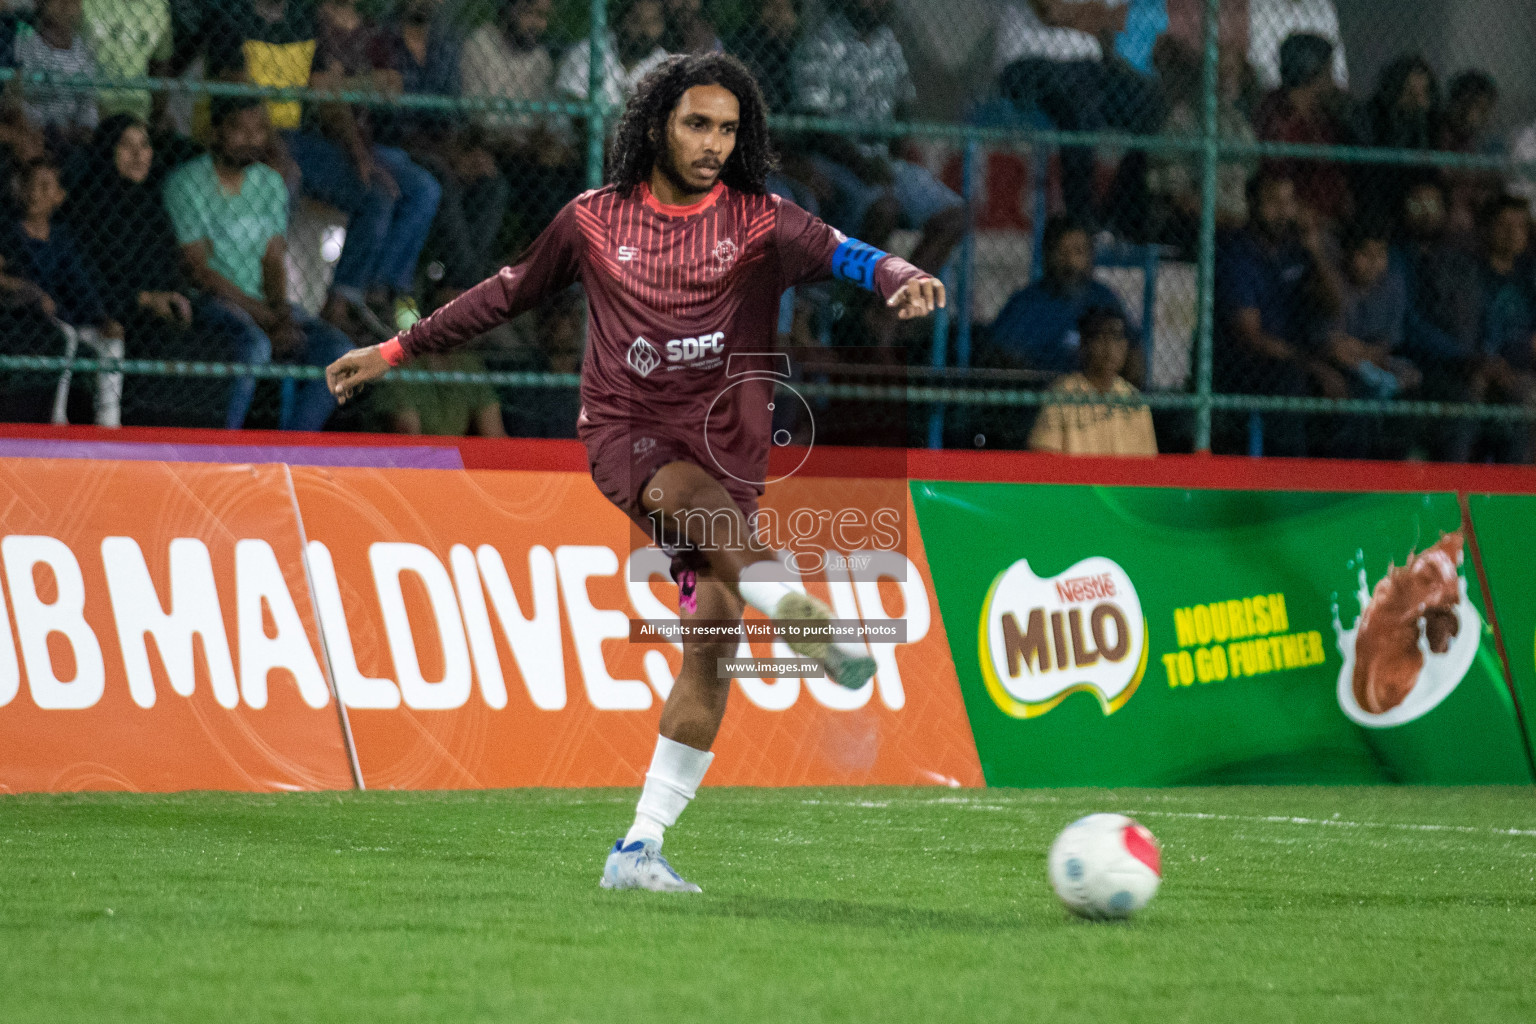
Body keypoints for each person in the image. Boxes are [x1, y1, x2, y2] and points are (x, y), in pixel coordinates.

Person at [325, 53, 946, 891]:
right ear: (657, 124)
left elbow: (853, 255)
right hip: (630, 436)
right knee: (707, 519)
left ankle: (639, 848)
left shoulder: (761, 221)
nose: (713, 143)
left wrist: (904, 279)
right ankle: (803, 615)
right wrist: (395, 348)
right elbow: (505, 292)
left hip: (730, 445)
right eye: (697, 124)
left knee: (714, 640)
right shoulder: (592, 220)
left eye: (728, 129)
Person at [208, 0, 442, 339]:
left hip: (300, 140)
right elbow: (240, 96)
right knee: (283, 179)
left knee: (376, 192)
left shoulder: (302, 18)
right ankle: (260, 302)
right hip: (245, 136)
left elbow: (327, 97)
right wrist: (274, 147)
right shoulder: (230, 16)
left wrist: (358, 153)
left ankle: (341, 304)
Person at [164, 96, 355, 431]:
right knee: (255, 345)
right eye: (239, 130)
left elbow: (272, 259)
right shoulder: (186, 182)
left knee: (340, 352)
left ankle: (291, 449)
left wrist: (280, 312)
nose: (251, 139)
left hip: (264, 303)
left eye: (259, 131)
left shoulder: (269, 183)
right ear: (215, 132)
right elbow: (199, 269)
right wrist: (264, 316)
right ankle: (225, 451)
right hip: (211, 301)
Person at [793, 0, 966, 275]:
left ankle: (887, 314)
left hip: (882, 163)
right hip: (840, 164)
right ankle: (855, 302)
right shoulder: (822, 43)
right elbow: (816, 127)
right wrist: (863, 166)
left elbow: (902, 108)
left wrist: (889, 162)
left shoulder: (889, 44)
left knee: (954, 216)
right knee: (884, 208)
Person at [66, 115, 210, 424]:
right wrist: (142, 299)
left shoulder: (150, 203)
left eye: (144, 145)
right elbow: (84, 279)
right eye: (126, 146)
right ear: (108, 150)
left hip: (151, 310)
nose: (137, 155)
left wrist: (173, 297)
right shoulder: (87, 205)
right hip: (105, 310)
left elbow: (166, 265)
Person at [372, 0, 509, 302]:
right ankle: (470, 291)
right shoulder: (381, 41)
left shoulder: (443, 49)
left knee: (491, 183)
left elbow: (450, 120)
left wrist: (464, 154)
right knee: (438, 180)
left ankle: (458, 286)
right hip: (392, 149)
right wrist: (449, 156)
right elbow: (387, 126)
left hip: (440, 149)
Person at [994, 0, 1166, 228]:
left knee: (1149, 102)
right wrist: (1090, 14)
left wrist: (1077, 14)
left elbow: (1118, 18)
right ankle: (1080, 220)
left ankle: (1121, 211)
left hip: (1088, 67)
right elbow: (1049, 10)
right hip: (1027, 63)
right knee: (1081, 106)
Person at [1213, 170, 1344, 457]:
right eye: (1272, 202)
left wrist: (1316, 252)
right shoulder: (1237, 254)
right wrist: (1310, 364)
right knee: (1292, 383)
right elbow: (1251, 337)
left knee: (1352, 384)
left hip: (1300, 356)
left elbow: (1336, 304)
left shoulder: (1296, 249)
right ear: (1252, 203)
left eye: (1288, 202)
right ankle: (1289, 483)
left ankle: (1343, 486)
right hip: (1251, 365)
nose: (1282, 212)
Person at [0, 156, 122, 425]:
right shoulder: (8, 233)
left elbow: (79, 281)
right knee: (65, 337)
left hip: (65, 311)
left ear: (59, 196)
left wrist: (102, 317)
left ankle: (109, 421)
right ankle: (56, 417)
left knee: (110, 342)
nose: (33, 193)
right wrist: (30, 291)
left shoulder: (62, 237)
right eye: (28, 185)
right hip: (27, 317)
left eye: (44, 187)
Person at [459, 0, 576, 245]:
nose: (536, 23)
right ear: (507, 10)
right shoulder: (480, 45)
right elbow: (477, 124)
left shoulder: (540, 58)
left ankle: (547, 268)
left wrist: (548, 145)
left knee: (565, 177)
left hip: (524, 152)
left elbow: (541, 123)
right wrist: (526, 144)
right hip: (488, 147)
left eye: (542, 16)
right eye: (528, 13)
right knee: (523, 186)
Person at [1390, 177, 1483, 461]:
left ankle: (1457, 489)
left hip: (1453, 365)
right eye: (1417, 204)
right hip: (1406, 357)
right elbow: (1405, 320)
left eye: (1432, 204)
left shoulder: (1459, 261)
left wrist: (1476, 356)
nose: (1426, 211)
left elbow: (1473, 315)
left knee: (1467, 398)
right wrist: (1460, 354)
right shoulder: (1394, 258)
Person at [988, 214, 1143, 381]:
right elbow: (1002, 354)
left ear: (1090, 255)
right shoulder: (1026, 302)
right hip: (1041, 396)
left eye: (1078, 251)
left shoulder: (1103, 297)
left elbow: (1132, 347)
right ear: (1048, 255)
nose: (1071, 262)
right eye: (1062, 252)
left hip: (1095, 395)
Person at [1253, 33, 1351, 226]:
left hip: (1331, 214)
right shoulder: (1275, 111)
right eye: (1327, 72)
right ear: (1311, 72)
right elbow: (1275, 172)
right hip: (1292, 215)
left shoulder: (1325, 113)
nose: (1331, 80)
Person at [1028, 308, 1157, 455]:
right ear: (1084, 344)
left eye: (1117, 338)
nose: (1110, 348)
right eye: (1101, 337)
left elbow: (1147, 463)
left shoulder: (1134, 400)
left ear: (1125, 346)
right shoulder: (1063, 395)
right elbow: (1044, 455)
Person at [13, 0, 98, 150]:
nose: (66, 5)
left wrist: (85, 129)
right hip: (35, 134)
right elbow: (18, 99)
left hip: (74, 136)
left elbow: (87, 103)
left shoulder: (84, 50)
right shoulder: (24, 44)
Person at [556, 0, 670, 108]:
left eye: (652, 23)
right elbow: (575, 107)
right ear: (623, 18)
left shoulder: (666, 64)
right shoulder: (590, 51)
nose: (644, 30)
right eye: (636, 21)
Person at [80, 0, 174, 123]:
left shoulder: (159, 6)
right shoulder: (86, 3)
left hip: (137, 107)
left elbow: (161, 63)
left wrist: (159, 113)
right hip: (89, 104)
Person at [1248, 0, 1347, 92]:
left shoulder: (1323, 6)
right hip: (1277, 94)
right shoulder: (1261, 7)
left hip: (1322, 90)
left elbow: (1338, 66)